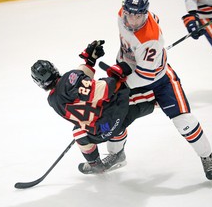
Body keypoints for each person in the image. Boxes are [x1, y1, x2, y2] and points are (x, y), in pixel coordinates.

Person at [105, 0, 212, 181]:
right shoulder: (121, 14)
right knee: (111, 113)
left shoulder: (150, 40)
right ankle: (116, 155)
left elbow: (145, 77)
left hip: (160, 80)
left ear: (145, 13)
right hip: (130, 74)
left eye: (138, 16)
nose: (132, 20)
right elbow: (154, 18)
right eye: (130, 14)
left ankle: (206, 156)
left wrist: (117, 84)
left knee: (184, 121)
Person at [31, 40, 137, 175]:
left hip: (106, 125)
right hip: (113, 116)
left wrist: (89, 62)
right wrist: (114, 76)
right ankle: (117, 151)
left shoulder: (53, 100)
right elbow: (80, 83)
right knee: (110, 121)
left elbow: (77, 85)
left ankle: (96, 164)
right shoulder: (68, 80)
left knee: (79, 132)